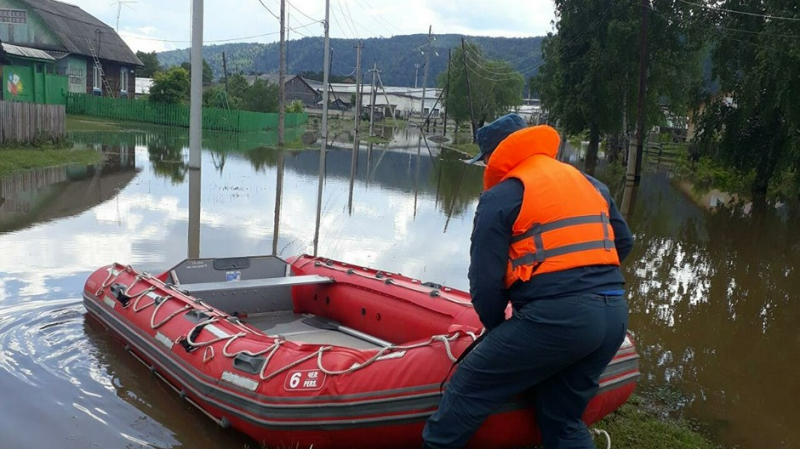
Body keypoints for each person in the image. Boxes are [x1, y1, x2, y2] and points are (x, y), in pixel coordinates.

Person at [421, 114, 634, 449]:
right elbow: (624, 242)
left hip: (559, 318)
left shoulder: (502, 196)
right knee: (563, 420)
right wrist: (587, 279)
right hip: (614, 315)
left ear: (494, 157)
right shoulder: (591, 184)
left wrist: (496, 328)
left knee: (468, 385)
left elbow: (485, 282)